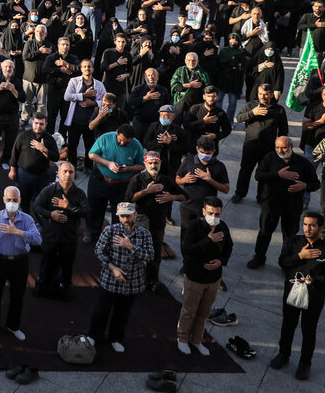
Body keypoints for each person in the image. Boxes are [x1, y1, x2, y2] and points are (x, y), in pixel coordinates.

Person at [0, 185, 42, 340]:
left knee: (17, 295)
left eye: (15, 200)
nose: (12, 202)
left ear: (20, 200)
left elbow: (38, 239)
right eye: (9, 199)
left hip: (20, 262)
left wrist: (18, 232)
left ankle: (13, 325)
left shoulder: (27, 219)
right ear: (4, 200)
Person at [88, 201, 153, 354]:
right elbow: (99, 251)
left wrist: (130, 246)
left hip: (132, 283)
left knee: (122, 314)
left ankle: (115, 338)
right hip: (110, 280)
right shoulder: (110, 230)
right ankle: (94, 336)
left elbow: (150, 256)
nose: (125, 219)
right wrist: (113, 268)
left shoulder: (144, 234)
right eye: (122, 216)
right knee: (101, 311)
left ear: (135, 215)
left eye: (128, 216)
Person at [249, 137, 321, 269]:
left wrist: (304, 186)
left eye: (283, 147)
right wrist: (278, 174)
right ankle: (259, 257)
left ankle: (286, 262)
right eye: (277, 147)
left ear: (291, 147)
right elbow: (258, 176)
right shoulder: (269, 158)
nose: (280, 151)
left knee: (289, 236)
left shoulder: (303, 163)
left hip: (292, 206)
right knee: (265, 232)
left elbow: (316, 184)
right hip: (271, 204)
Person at [271, 210, 324, 380]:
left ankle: (305, 363)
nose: (307, 228)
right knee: (288, 324)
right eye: (305, 224)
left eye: (312, 225)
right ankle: (283, 354)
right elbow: (282, 262)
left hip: (314, 296)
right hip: (292, 291)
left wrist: (314, 280)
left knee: (309, 330)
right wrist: (300, 256)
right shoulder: (294, 241)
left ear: (321, 228)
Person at [175, 196, 232, 356]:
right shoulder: (194, 226)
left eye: (217, 214)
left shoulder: (223, 227)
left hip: (213, 279)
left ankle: (197, 339)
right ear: (203, 211)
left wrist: (220, 262)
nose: (214, 217)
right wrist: (208, 240)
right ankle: (182, 338)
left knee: (204, 312)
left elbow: (228, 248)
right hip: (195, 278)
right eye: (210, 213)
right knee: (189, 310)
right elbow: (187, 250)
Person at [124, 150, 184, 293]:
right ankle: (133, 278)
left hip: (158, 224)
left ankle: (152, 281)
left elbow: (184, 196)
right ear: (145, 163)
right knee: (135, 250)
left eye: (156, 163)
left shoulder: (166, 180)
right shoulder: (138, 179)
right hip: (141, 222)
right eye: (150, 163)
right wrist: (146, 191)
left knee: (155, 254)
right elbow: (129, 198)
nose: (153, 166)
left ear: (160, 163)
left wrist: (172, 197)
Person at [32, 161, 87, 300]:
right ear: (58, 173)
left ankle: (64, 288)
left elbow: (86, 213)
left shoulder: (79, 194)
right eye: (65, 171)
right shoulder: (49, 190)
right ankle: (42, 286)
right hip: (50, 235)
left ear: (74, 175)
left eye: (71, 172)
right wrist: (51, 215)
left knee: (67, 265)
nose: (68, 175)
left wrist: (68, 206)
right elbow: (36, 206)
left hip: (69, 237)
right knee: (46, 263)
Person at [85, 124, 145, 242]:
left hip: (122, 185)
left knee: (119, 213)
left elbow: (142, 166)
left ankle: (115, 238)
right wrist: (108, 163)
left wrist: (128, 169)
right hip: (100, 180)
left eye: (126, 142)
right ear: (117, 133)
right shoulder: (105, 138)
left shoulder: (136, 145)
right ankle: (92, 232)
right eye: (120, 140)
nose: (122, 143)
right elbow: (92, 154)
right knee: (95, 208)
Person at [234, 83, 289, 201]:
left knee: (265, 172)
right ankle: (239, 193)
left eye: (265, 94)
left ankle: (261, 196)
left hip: (268, 147)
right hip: (250, 145)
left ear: (271, 94)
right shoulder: (251, 105)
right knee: (245, 170)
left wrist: (281, 147)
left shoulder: (279, 110)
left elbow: (283, 129)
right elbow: (238, 118)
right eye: (260, 94)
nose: (262, 97)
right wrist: (253, 113)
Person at [8, 112, 59, 212]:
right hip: (24, 175)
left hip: (42, 176)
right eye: (36, 123)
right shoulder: (23, 135)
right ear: (32, 123)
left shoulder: (49, 139)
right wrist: (12, 170)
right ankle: (25, 217)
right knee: (23, 200)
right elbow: (15, 153)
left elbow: (56, 157)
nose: (38, 126)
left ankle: (38, 219)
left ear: (46, 124)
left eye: (41, 124)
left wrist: (44, 149)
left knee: (39, 201)